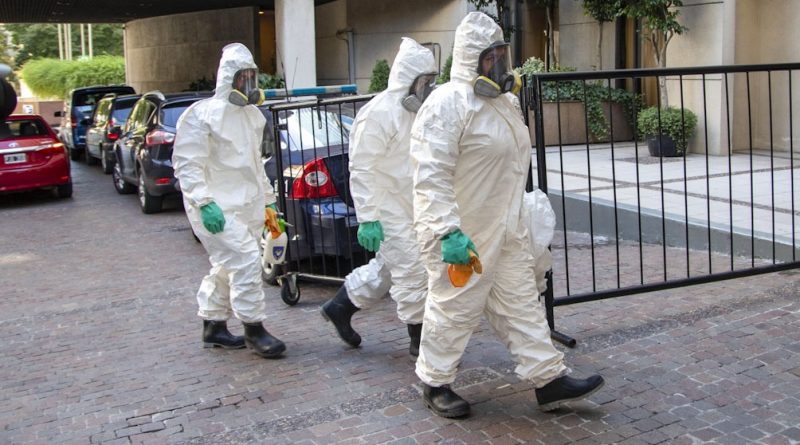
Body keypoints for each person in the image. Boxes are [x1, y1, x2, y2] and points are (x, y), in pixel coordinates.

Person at [409, 12, 604, 418]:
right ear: (471, 59)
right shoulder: (447, 104)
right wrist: (447, 231)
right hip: (464, 233)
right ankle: (434, 381)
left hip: (506, 226)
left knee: (520, 303)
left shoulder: (504, 103)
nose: (499, 63)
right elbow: (430, 174)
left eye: (501, 54)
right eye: (490, 57)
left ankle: (548, 380)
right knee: (453, 308)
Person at [320, 37, 438, 358]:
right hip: (387, 208)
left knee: (389, 268)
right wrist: (368, 216)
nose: (428, 88)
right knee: (412, 268)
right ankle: (419, 338)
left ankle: (340, 307)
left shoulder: (417, 113)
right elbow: (361, 168)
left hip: (412, 203)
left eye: (431, 81)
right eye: (424, 82)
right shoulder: (378, 113)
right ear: (408, 79)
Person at [173, 43, 285, 359]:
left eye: (252, 76)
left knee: (227, 265)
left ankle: (213, 326)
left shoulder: (253, 117)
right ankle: (254, 329)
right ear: (228, 79)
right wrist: (203, 202)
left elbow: (256, 165)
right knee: (247, 259)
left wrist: (269, 203)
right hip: (215, 208)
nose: (248, 83)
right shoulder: (201, 115)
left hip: (247, 206)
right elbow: (188, 164)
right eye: (242, 77)